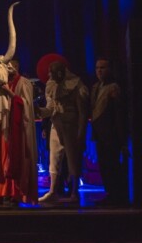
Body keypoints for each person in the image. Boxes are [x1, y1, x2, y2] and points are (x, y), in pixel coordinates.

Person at [0, 57, 39, 205]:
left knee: (13, 159)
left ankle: (14, 193)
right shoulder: (2, 83)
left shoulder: (23, 83)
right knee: (0, 159)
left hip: (17, 129)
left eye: (10, 67)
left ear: (16, 67)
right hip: (3, 128)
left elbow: (25, 104)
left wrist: (9, 93)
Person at [38, 60, 88, 202]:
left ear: (60, 72)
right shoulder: (51, 85)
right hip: (56, 123)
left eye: (51, 73)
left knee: (73, 159)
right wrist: (39, 112)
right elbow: (50, 108)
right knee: (54, 158)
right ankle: (53, 190)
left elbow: (83, 113)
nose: (49, 75)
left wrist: (81, 132)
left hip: (71, 125)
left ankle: (74, 192)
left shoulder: (76, 85)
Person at [90, 57, 128, 206]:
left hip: (110, 134)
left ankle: (116, 196)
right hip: (100, 134)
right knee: (104, 166)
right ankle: (110, 194)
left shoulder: (113, 87)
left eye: (103, 68)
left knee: (112, 166)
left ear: (109, 69)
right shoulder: (96, 87)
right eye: (97, 68)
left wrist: (121, 138)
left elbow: (118, 114)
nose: (99, 71)